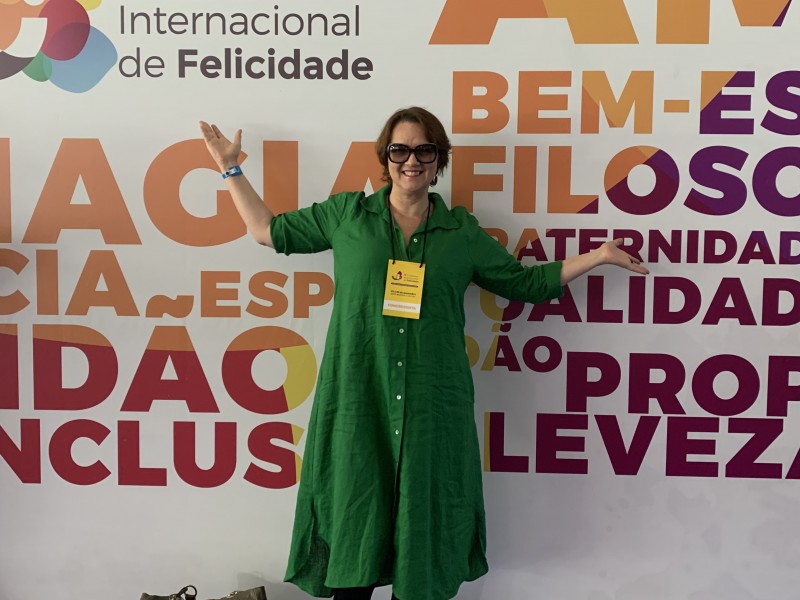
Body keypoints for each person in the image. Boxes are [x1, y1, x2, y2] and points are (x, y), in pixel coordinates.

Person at [200, 107, 648, 600]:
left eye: (423, 150)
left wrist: (598, 255)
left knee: (422, 544)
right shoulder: (347, 215)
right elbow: (268, 231)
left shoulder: (461, 234)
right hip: (359, 404)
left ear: (438, 161)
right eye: (400, 150)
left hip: (432, 408)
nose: (411, 160)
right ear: (385, 158)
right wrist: (230, 167)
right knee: (354, 530)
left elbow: (524, 283)